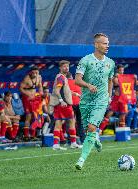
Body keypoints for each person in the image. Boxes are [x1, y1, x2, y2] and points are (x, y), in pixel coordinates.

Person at [75, 33, 115, 170]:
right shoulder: (85, 60)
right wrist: (88, 85)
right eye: (104, 43)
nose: (107, 46)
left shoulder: (111, 63)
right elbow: (77, 80)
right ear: (96, 44)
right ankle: (96, 140)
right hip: (86, 100)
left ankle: (81, 159)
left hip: (101, 100)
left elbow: (110, 80)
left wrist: (109, 96)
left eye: (108, 43)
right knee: (89, 130)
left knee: (92, 127)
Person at [51, 60, 81, 150]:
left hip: (60, 104)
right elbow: (57, 90)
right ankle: (73, 143)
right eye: (64, 66)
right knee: (71, 121)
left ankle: (56, 145)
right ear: (60, 68)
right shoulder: (61, 77)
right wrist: (61, 100)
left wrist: (75, 94)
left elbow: (64, 90)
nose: (66, 68)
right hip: (64, 104)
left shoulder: (62, 77)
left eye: (67, 66)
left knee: (59, 123)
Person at [19, 66, 43, 141]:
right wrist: (27, 94)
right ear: (30, 72)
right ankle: (26, 135)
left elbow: (40, 86)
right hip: (27, 99)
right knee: (28, 116)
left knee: (35, 116)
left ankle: (32, 135)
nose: (35, 74)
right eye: (33, 73)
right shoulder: (26, 78)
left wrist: (41, 93)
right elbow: (20, 88)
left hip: (35, 98)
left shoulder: (39, 77)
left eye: (36, 73)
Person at [67, 72, 84, 143]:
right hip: (80, 104)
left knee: (70, 123)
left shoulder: (65, 83)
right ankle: (82, 140)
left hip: (71, 104)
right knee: (80, 123)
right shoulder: (77, 82)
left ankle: (70, 141)